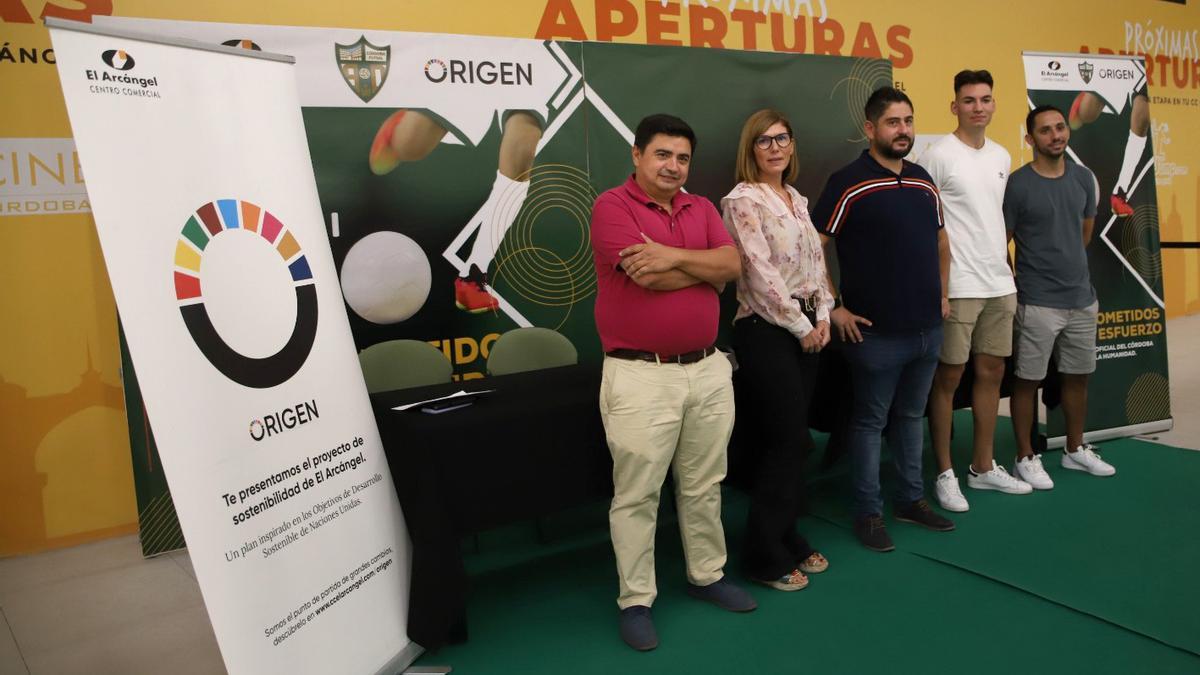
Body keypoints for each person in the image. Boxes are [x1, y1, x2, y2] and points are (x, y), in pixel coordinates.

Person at [589, 113, 754, 651]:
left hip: (707, 369)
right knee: (637, 494)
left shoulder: (701, 206)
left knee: (704, 483)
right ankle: (635, 599)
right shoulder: (612, 207)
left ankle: (708, 575)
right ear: (637, 155)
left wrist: (677, 257)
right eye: (662, 154)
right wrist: (700, 266)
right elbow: (644, 273)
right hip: (640, 375)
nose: (673, 166)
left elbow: (732, 265)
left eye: (682, 158)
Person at [811, 86, 955, 553]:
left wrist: (944, 296)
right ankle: (868, 512)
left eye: (908, 121)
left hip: (926, 330)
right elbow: (815, 248)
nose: (903, 130)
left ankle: (910, 499)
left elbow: (940, 243)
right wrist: (833, 306)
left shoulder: (922, 180)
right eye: (893, 122)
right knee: (870, 422)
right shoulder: (848, 181)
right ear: (870, 128)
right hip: (874, 335)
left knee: (911, 416)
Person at [720, 109, 833, 591]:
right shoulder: (741, 200)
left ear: (792, 144)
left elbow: (816, 264)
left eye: (782, 138)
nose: (774, 147)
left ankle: (787, 534)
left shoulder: (797, 198)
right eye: (763, 141)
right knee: (787, 441)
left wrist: (825, 312)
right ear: (751, 149)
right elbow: (758, 273)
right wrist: (800, 322)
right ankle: (763, 555)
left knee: (792, 439)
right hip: (767, 330)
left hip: (811, 326)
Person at [918, 70, 1030, 512]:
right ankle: (944, 472)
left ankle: (982, 467)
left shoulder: (1002, 155)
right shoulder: (937, 155)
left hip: (1000, 283)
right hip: (959, 285)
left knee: (993, 374)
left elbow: (993, 221)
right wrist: (939, 286)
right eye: (969, 100)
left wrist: (1007, 270)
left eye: (985, 99)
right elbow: (927, 228)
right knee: (947, 379)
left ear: (994, 105)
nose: (978, 107)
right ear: (954, 106)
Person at [1004, 105, 1116, 485]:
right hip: (1036, 301)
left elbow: (1084, 234)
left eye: (1060, 127)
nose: (1056, 135)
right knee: (1027, 382)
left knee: (1077, 377)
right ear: (1030, 139)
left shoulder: (1084, 178)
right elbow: (1003, 241)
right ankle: (1024, 456)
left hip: (1082, 298)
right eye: (1046, 130)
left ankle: (1074, 449)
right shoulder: (1017, 185)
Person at [369, 108, 544, 313]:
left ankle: (474, 275)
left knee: (523, 147)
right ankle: (399, 131)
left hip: (522, 77)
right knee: (412, 147)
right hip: (463, 78)